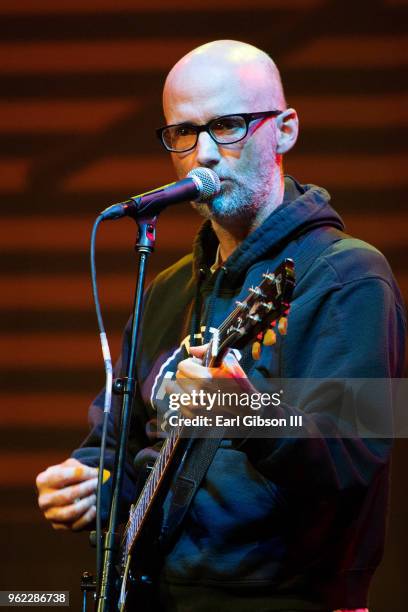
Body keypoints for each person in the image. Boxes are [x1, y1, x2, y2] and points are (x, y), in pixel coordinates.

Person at [36, 40, 406, 611]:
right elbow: (124, 445)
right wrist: (89, 483)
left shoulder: (350, 275)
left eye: (228, 125)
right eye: (183, 132)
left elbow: (354, 456)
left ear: (284, 130)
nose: (204, 153)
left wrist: (242, 410)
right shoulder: (171, 286)